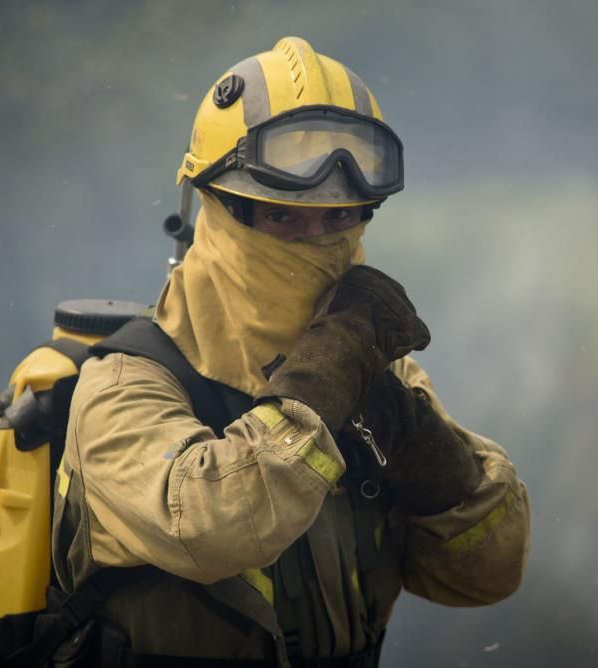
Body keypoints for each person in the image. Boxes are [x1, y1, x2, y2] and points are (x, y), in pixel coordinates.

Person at [52, 36, 530, 667]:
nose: (319, 239)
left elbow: (487, 570)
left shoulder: (378, 374)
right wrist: (321, 384)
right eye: (285, 218)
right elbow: (211, 526)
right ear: (220, 215)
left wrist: (410, 435)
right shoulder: (123, 386)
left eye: (340, 219)